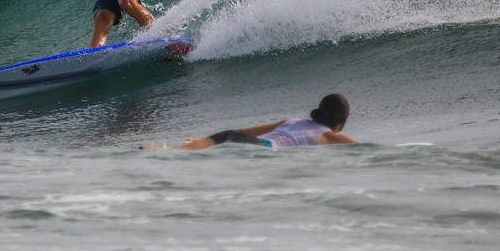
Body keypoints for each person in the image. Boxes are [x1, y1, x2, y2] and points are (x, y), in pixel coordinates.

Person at [146, 93, 356, 150]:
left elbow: (243, 131)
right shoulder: (328, 136)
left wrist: (204, 141)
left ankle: (162, 148)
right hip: (258, 149)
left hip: (236, 136)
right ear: (341, 123)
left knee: (179, 152)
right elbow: (362, 150)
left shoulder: (292, 121)